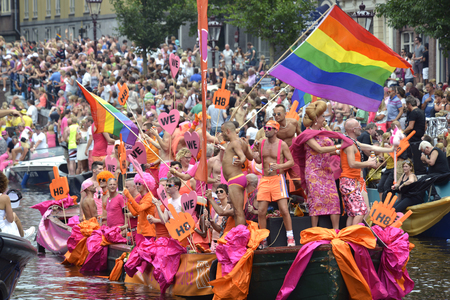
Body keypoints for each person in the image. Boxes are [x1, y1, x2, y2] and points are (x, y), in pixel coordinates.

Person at [296, 102, 341, 230]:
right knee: (315, 200)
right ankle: (314, 231)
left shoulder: (324, 132)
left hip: (326, 170)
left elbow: (329, 149)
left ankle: (336, 230)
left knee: (333, 199)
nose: (324, 119)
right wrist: (339, 147)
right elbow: (320, 149)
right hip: (314, 171)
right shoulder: (307, 134)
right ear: (316, 119)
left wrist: (338, 151)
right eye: (322, 117)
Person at [340, 119, 393, 226]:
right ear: (353, 130)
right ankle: (352, 237)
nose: (361, 128)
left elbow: (369, 147)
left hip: (351, 181)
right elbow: (352, 164)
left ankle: (348, 238)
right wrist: (368, 163)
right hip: (349, 181)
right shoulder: (349, 144)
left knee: (352, 213)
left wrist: (391, 149)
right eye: (359, 126)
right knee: (361, 211)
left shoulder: (353, 142)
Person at [252, 120, 295, 247]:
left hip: (278, 178)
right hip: (265, 178)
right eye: (265, 128)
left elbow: (291, 162)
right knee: (261, 211)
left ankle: (290, 237)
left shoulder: (282, 145)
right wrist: (255, 155)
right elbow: (260, 160)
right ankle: (263, 239)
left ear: (276, 130)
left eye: (269, 128)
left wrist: (280, 165)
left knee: (284, 209)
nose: (266, 130)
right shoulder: (261, 143)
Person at [220, 121, 252, 226]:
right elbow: (251, 157)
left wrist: (242, 160)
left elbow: (242, 156)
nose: (221, 134)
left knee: (238, 212)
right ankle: (238, 234)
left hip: (235, 179)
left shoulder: (235, 143)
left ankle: (240, 236)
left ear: (228, 131)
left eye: (222, 132)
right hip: (237, 178)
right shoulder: (241, 142)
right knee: (237, 211)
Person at [0, 173, 35, 238]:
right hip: (2, 231)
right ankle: (23, 235)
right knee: (14, 215)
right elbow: (10, 220)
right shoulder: (5, 198)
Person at [123, 172, 157, 239]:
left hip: (148, 233)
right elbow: (135, 213)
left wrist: (129, 196)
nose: (137, 185)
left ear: (145, 185)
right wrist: (128, 202)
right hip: (141, 232)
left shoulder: (149, 197)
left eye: (139, 184)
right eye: (136, 183)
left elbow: (139, 209)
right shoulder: (143, 197)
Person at [205, 185, 235, 252]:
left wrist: (210, 199)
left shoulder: (229, 207)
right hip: (214, 240)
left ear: (227, 194)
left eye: (221, 191)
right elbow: (218, 226)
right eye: (217, 192)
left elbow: (221, 213)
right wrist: (210, 223)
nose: (219, 193)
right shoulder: (218, 207)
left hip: (223, 240)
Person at [404, 96, 427, 175]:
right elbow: (425, 126)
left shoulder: (413, 112)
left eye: (407, 105)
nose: (407, 107)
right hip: (419, 139)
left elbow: (410, 126)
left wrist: (402, 132)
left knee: (414, 159)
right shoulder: (421, 111)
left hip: (413, 139)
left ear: (409, 104)